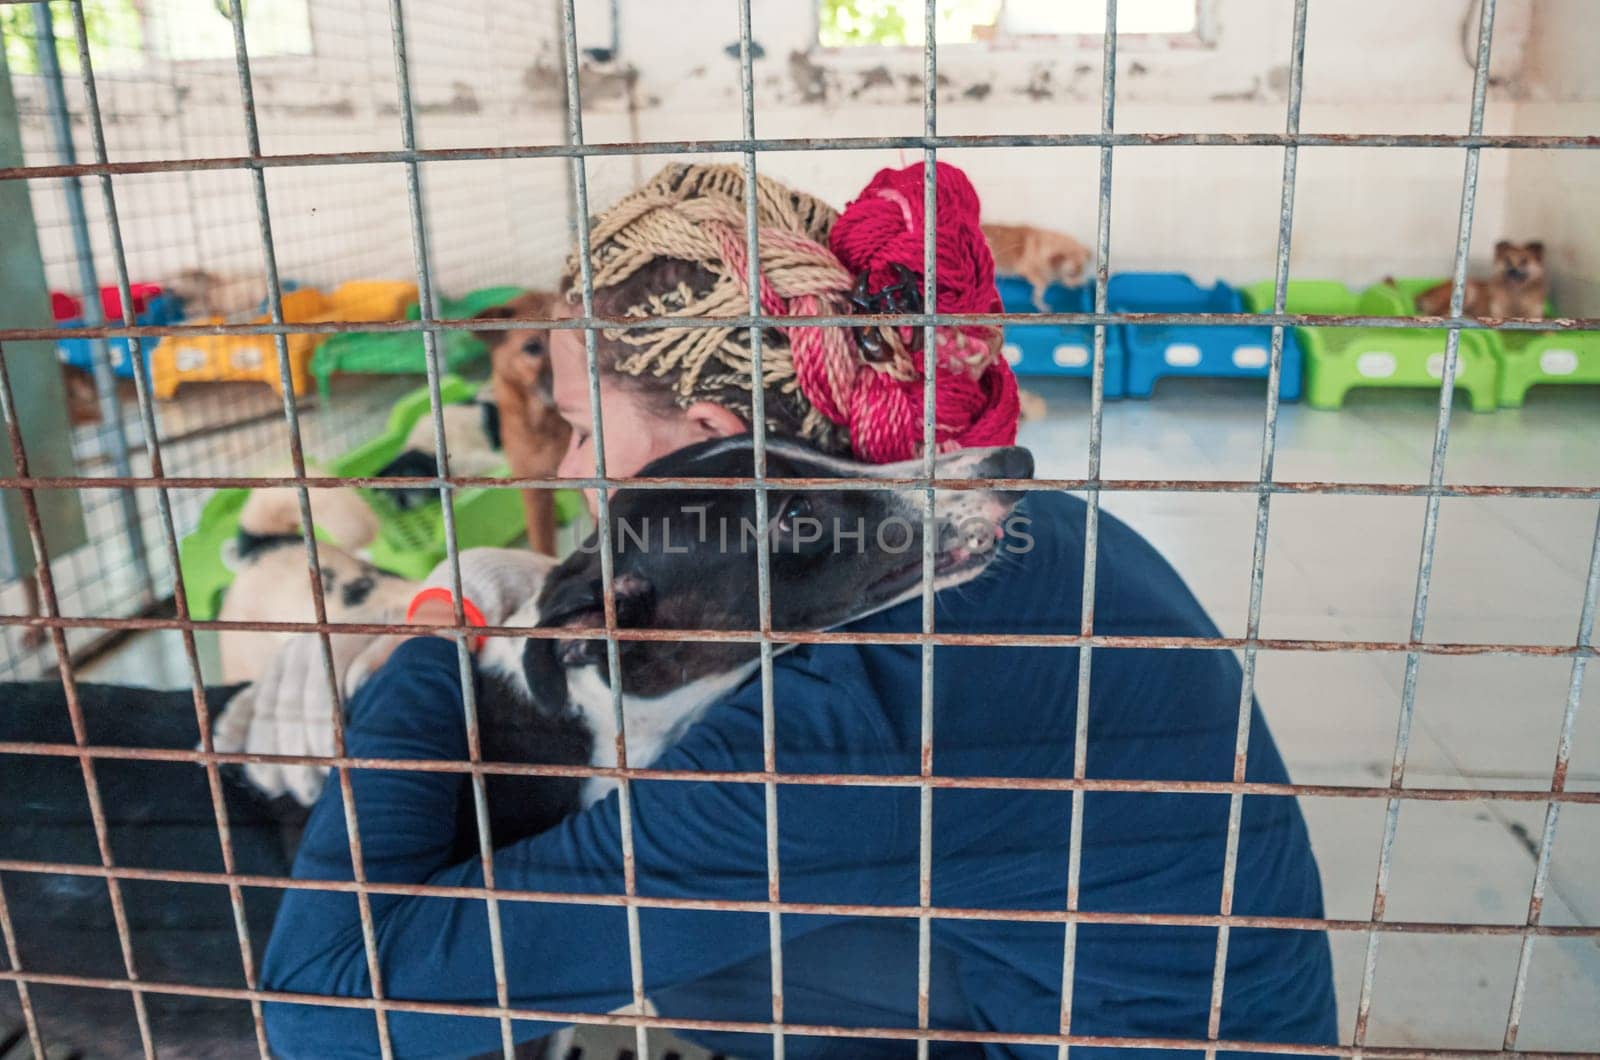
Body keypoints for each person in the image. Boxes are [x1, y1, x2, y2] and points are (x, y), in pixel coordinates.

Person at [258, 162, 1336, 1058]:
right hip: (1118, 984)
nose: (572, 468)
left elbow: (324, 1009)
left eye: (585, 429)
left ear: (705, 440)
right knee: (688, 944)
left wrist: (425, 658)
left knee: (657, 945)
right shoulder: (990, 516)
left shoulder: (858, 702)